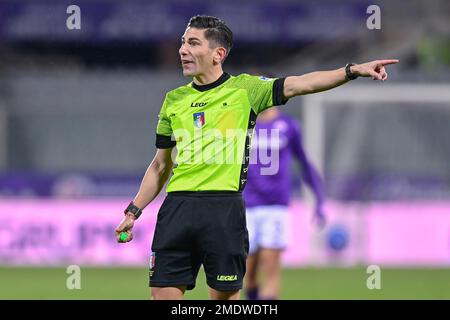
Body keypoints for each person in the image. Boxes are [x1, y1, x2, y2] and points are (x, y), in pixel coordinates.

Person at [114, 14, 398, 300]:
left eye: (193, 43)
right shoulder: (173, 100)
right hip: (176, 208)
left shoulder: (246, 90)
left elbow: (303, 84)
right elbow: (161, 164)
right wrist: (133, 210)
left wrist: (352, 70)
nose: (182, 50)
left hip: (223, 211)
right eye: (182, 42)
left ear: (218, 54)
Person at [243, 106, 325, 300]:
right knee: (248, 274)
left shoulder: (288, 126)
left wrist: (319, 198)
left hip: (276, 206)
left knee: (270, 269)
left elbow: (304, 162)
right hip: (245, 206)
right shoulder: (243, 125)